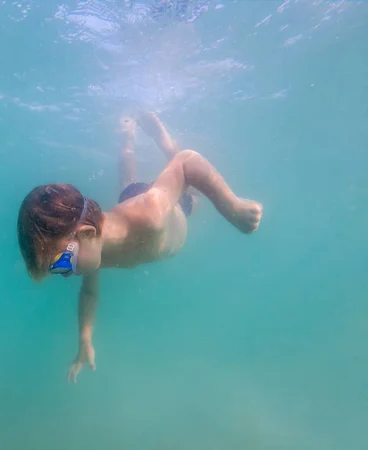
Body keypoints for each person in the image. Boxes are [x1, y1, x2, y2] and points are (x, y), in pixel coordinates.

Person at [16, 112, 262, 383]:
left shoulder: (151, 215)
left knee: (190, 191)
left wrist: (233, 208)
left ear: (86, 234)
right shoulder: (92, 253)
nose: (64, 273)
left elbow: (187, 163)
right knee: (128, 184)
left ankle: (163, 139)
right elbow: (89, 294)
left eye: (61, 263)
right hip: (128, 204)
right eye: (57, 268)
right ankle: (127, 138)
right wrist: (85, 338)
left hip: (172, 211)